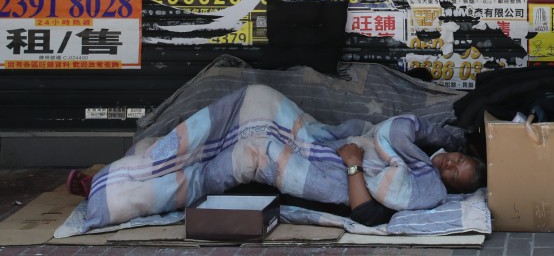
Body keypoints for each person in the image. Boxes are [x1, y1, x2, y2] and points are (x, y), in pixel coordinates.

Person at [67, 84, 486, 229]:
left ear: (451, 188)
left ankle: (113, 196)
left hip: (336, 173)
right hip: (323, 141)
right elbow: (410, 129)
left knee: (253, 152)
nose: (448, 167)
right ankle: (141, 166)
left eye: (455, 176)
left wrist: (355, 161)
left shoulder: (427, 187)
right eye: (456, 161)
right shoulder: (426, 143)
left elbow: (367, 212)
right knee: (256, 99)